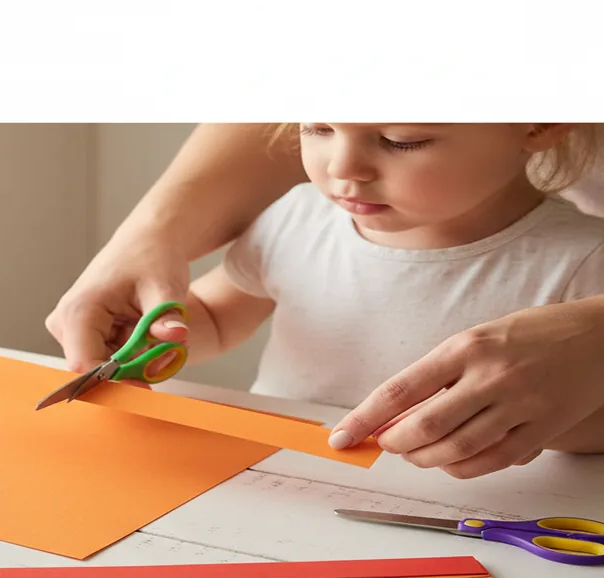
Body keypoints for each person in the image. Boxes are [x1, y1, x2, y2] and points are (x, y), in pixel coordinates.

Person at [46, 123, 604, 479]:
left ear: (541, 123)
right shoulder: (299, 216)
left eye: (400, 139)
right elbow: (216, 312)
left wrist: (519, 429)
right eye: (317, 127)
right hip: (272, 477)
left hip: (467, 509)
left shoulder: (583, 257)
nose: (341, 168)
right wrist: (154, 332)